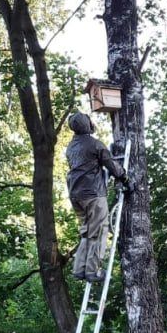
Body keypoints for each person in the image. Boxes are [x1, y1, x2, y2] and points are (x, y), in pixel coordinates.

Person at [65, 111, 127, 282]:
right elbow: (110, 164)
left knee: (86, 232)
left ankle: (79, 269)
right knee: (99, 231)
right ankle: (92, 271)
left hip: (76, 195)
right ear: (88, 125)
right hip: (93, 194)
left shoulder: (71, 147)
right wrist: (124, 177)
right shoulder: (94, 144)